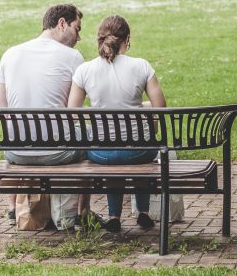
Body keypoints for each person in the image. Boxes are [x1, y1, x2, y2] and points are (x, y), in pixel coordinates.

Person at [67, 15, 167, 233]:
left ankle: (114, 216)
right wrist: (142, 107)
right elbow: (160, 107)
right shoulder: (141, 66)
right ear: (127, 39)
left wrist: (97, 113)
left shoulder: (85, 70)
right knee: (141, 150)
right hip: (140, 153)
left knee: (113, 157)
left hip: (102, 153)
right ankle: (142, 212)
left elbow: (73, 113)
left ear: (99, 39)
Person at [0, 4, 86, 224]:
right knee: (90, 142)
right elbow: (76, 115)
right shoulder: (73, 57)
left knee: (17, 132)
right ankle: (81, 212)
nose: (79, 37)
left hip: (15, 153)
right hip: (57, 153)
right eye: (77, 28)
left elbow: (2, 109)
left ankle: (12, 207)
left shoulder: (10, 54)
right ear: (62, 23)